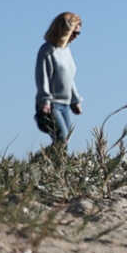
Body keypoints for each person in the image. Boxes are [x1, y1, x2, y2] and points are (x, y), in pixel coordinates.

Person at [34, 12, 85, 151]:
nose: (76, 37)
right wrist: (45, 101)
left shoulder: (66, 51)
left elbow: (69, 78)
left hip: (65, 104)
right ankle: (43, 163)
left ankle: (49, 165)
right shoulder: (47, 50)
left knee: (65, 139)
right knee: (61, 137)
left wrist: (75, 100)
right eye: (74, 33)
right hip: (51, 104)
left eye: (78, 34)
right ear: (64, 31)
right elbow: (42, 77)